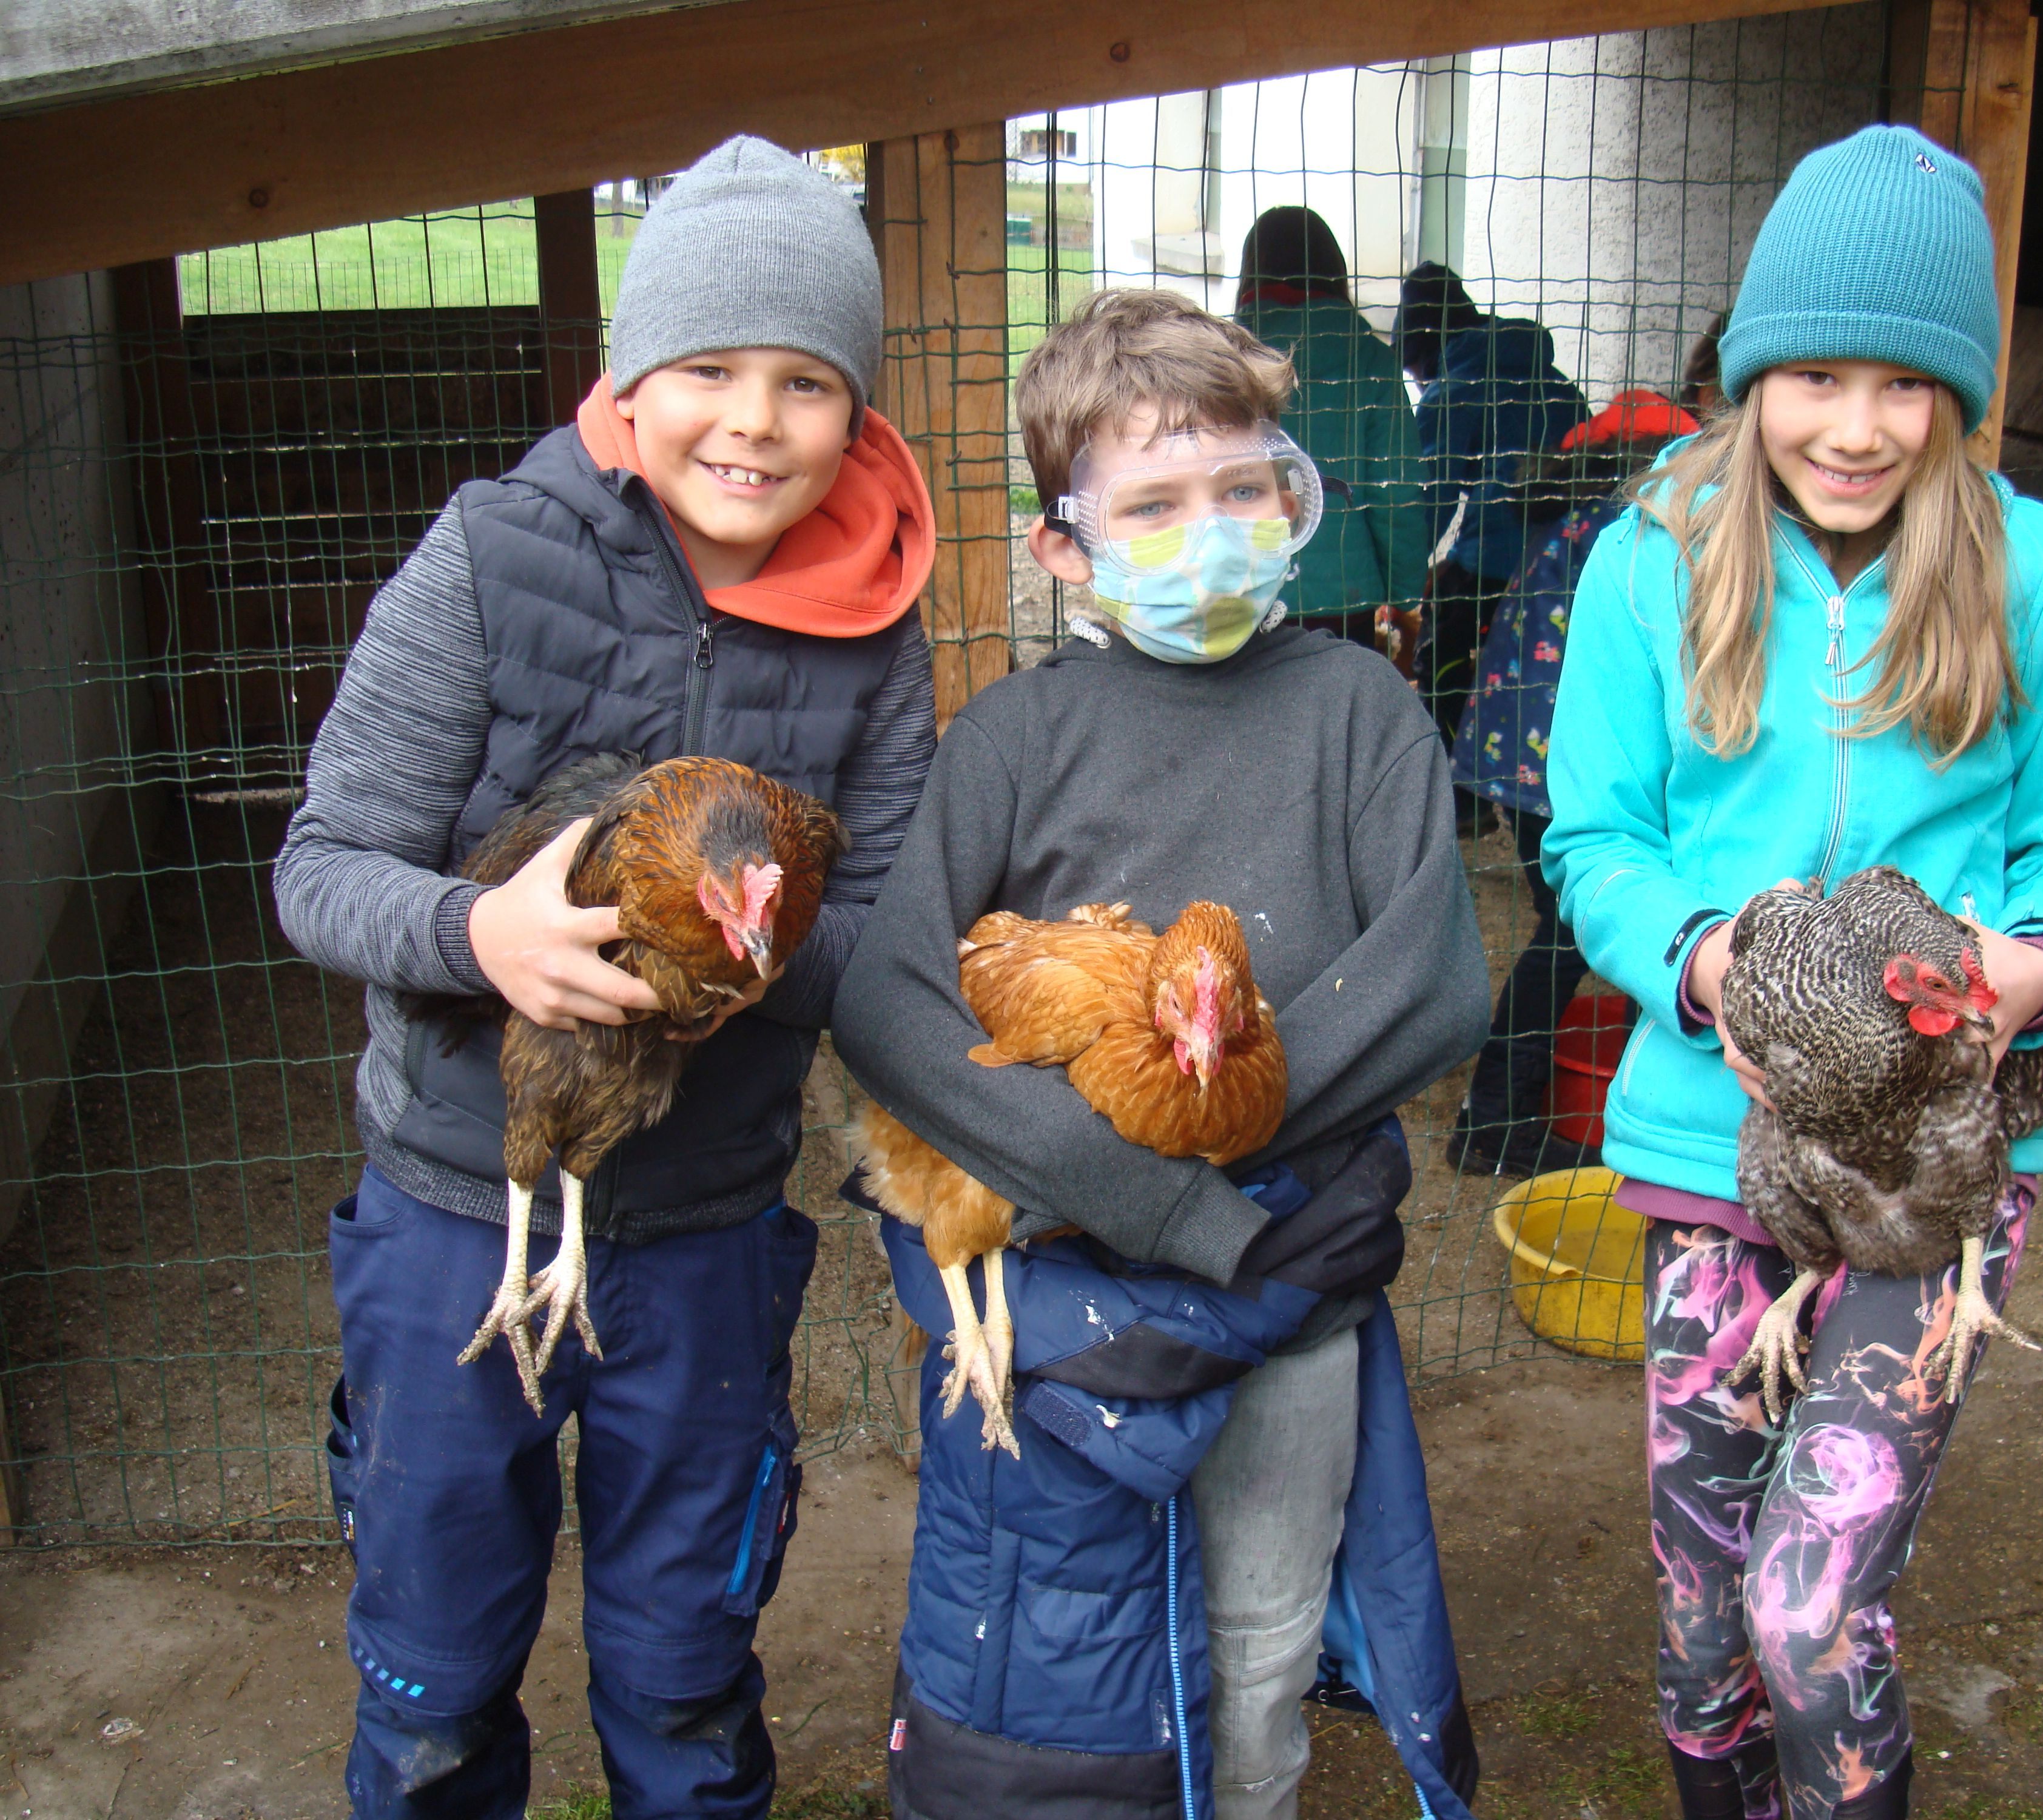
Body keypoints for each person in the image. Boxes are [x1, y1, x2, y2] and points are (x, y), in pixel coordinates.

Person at [273, 136, 939, 1820]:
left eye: (805, 383)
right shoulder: (497, 561)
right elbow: (325, 866)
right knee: (430, 1674)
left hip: (709, 1228)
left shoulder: (874, 624)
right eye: (706, 368)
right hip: (451, 1218)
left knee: (689, 1673)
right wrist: (476, 940)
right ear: (629, 379)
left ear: (854, 412)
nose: (751, 421)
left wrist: (747, 953)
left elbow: (888, 926)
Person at [1542, 126, 2043, 1819]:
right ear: (1753, 375)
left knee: (1807, 1612)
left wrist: (2028, 975)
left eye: (1904, 383)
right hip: (1704, 1144)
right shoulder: (1651, 559)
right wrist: (1709, 962)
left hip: (1938, 1165)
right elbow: (1597, 843)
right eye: (1814, 374)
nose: (1857, 426)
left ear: (1960, 397)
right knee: (1700, 1625)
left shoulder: (2039, 575)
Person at [831, 288, 1492, 1820]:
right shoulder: (1010, 736)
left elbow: (1435, 986)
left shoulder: (1361, 708)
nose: (1210, 528)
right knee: (1068, 1644)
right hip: (1072, 1283)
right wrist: (1155, 1197)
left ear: (1291, 495)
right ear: (1062, 544)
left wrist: (1200, 1153)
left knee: (1260, 1642)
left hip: (1293, 1278)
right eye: (1152, 503)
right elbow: (888, 1002)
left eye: (1244, 487)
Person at [1446, 385, 1703, 1178]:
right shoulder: (1649, 541)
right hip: (1557, 765)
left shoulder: (1570, 522)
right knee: (1573, 935)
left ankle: (1555, 1114)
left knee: (1580, 933)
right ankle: (1494, 1125)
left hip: (1515, 753)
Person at [1392, 261, 1587, 745]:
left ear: (1427, 349)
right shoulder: (1559, 384)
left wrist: (1405, 575)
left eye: (1414, 368)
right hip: (1570, 566)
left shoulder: (1455, 390)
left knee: (1441, 658)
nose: (1417, 381)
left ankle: (1458, 791)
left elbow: (1429, 496)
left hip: (1494, 566)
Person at [1230, 206, 1431, 653]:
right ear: (1336, 274)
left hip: (1241, 588)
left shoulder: (1224, 357)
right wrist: (1402, 593)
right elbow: (1395, 492)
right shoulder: (1371, 361)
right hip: (1346, 597)